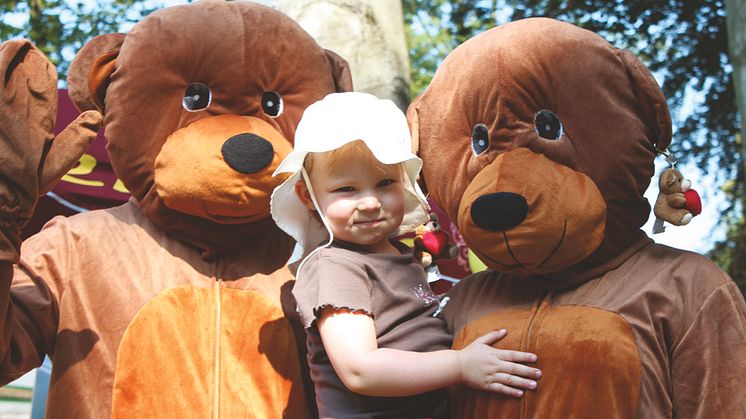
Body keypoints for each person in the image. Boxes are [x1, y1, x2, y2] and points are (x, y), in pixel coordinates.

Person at [270, 92, 542, 418]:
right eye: (347, 189)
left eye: (385, 182)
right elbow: (361, 369)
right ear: (308, 196)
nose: (370, 202)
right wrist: (459, 365)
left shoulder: (395, 251)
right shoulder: (335, 266)